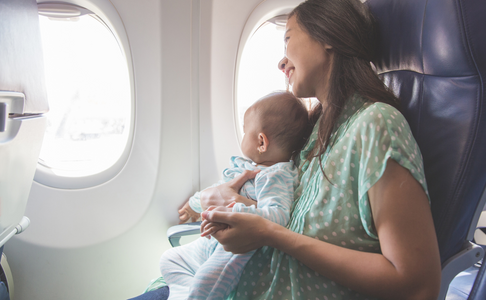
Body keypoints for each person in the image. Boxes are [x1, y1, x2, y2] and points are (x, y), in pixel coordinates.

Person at [197, 0, 442, 299]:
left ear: (327, 37)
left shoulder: (377, 125)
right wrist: (236, 204)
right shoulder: (316, 132)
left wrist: (269, 234)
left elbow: (417, 284)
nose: (281, 62)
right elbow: (290, 214)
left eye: (288, 39)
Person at [159, 91, 313, 300]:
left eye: (244, 131)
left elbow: (278, 215)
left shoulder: (277, 175)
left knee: (202, 289)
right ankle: (181, 292)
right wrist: (195, 205)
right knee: (170, 259)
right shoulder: (248, 166)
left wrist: (236, 209)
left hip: (235, 250)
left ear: (261, 142)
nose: (242, 136)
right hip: (210, 244)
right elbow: (221, 188)